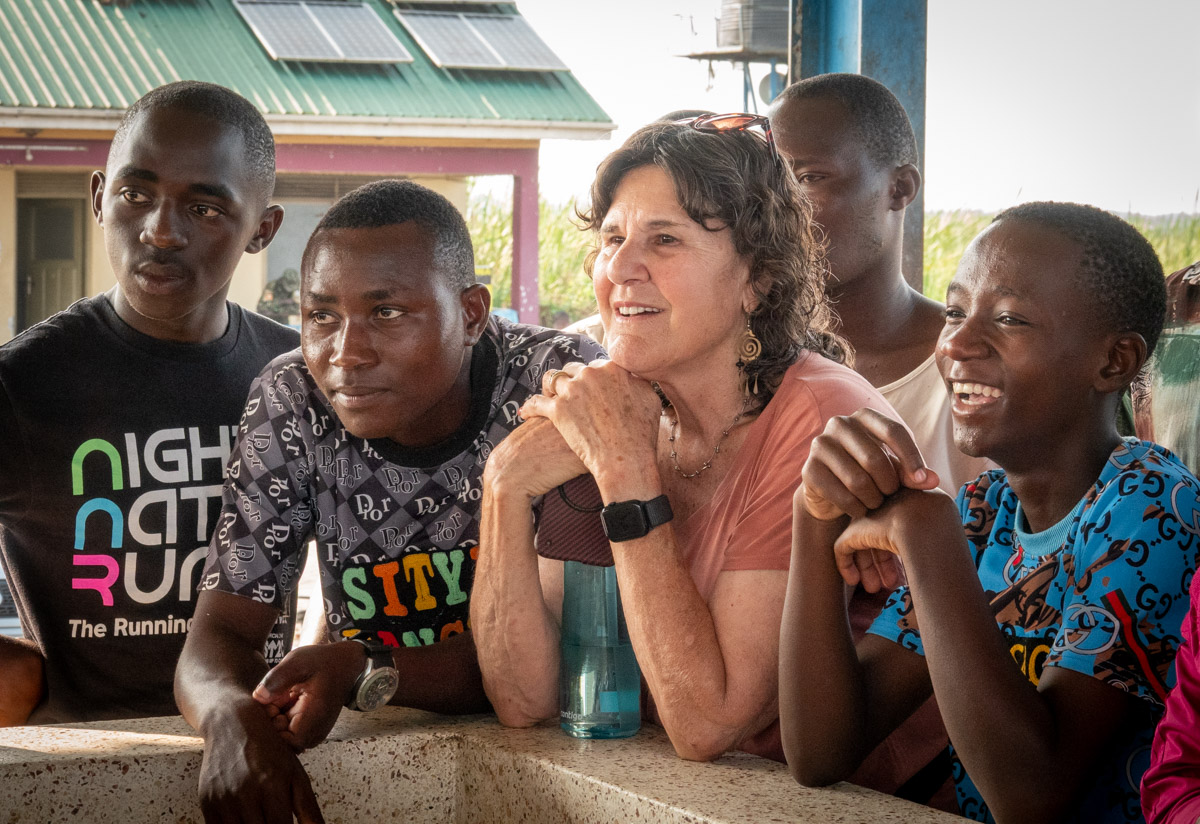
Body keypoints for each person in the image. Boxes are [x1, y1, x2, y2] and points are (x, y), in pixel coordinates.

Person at [471, 115, 897, 765]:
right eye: (613, 238)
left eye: (664, 239)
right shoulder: (620, 405)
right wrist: (504, 485)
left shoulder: (819, 418)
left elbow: (710, 724)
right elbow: (525, 700)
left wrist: (622, 469)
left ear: (759, 279)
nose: (620, 268)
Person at [175, 179, 602, 823]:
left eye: (388, 313)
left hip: (555, 765)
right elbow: (221, 632)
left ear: (472, 314)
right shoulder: (294, 399)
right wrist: (229, 716)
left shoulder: (554, 384)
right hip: (384, 749)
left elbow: (558, 656)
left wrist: (365, 665)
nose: (346, 354)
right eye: (321, 316)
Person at [780, 201, 1199, 824]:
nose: (955, 342)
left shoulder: (1156, 507)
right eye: (954, 311)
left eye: (1008, 318)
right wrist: (814, 517)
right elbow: (821, 752)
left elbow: (1031, 798)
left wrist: (927, 536)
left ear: (1114, 362)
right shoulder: (985, 511)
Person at [0, 81, 297, 725]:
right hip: (89, 763)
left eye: (206, 208)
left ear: (262, 229)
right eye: (136, 195)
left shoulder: (298, 379)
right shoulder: (21, 385)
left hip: (263, 743)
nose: (161, 232)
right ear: (99, 198)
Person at [769, 73, 992, 496]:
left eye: (809, 178)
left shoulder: (971, 371)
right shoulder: (743, 359)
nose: (779, 206)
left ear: (899, 188)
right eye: (770, 182)